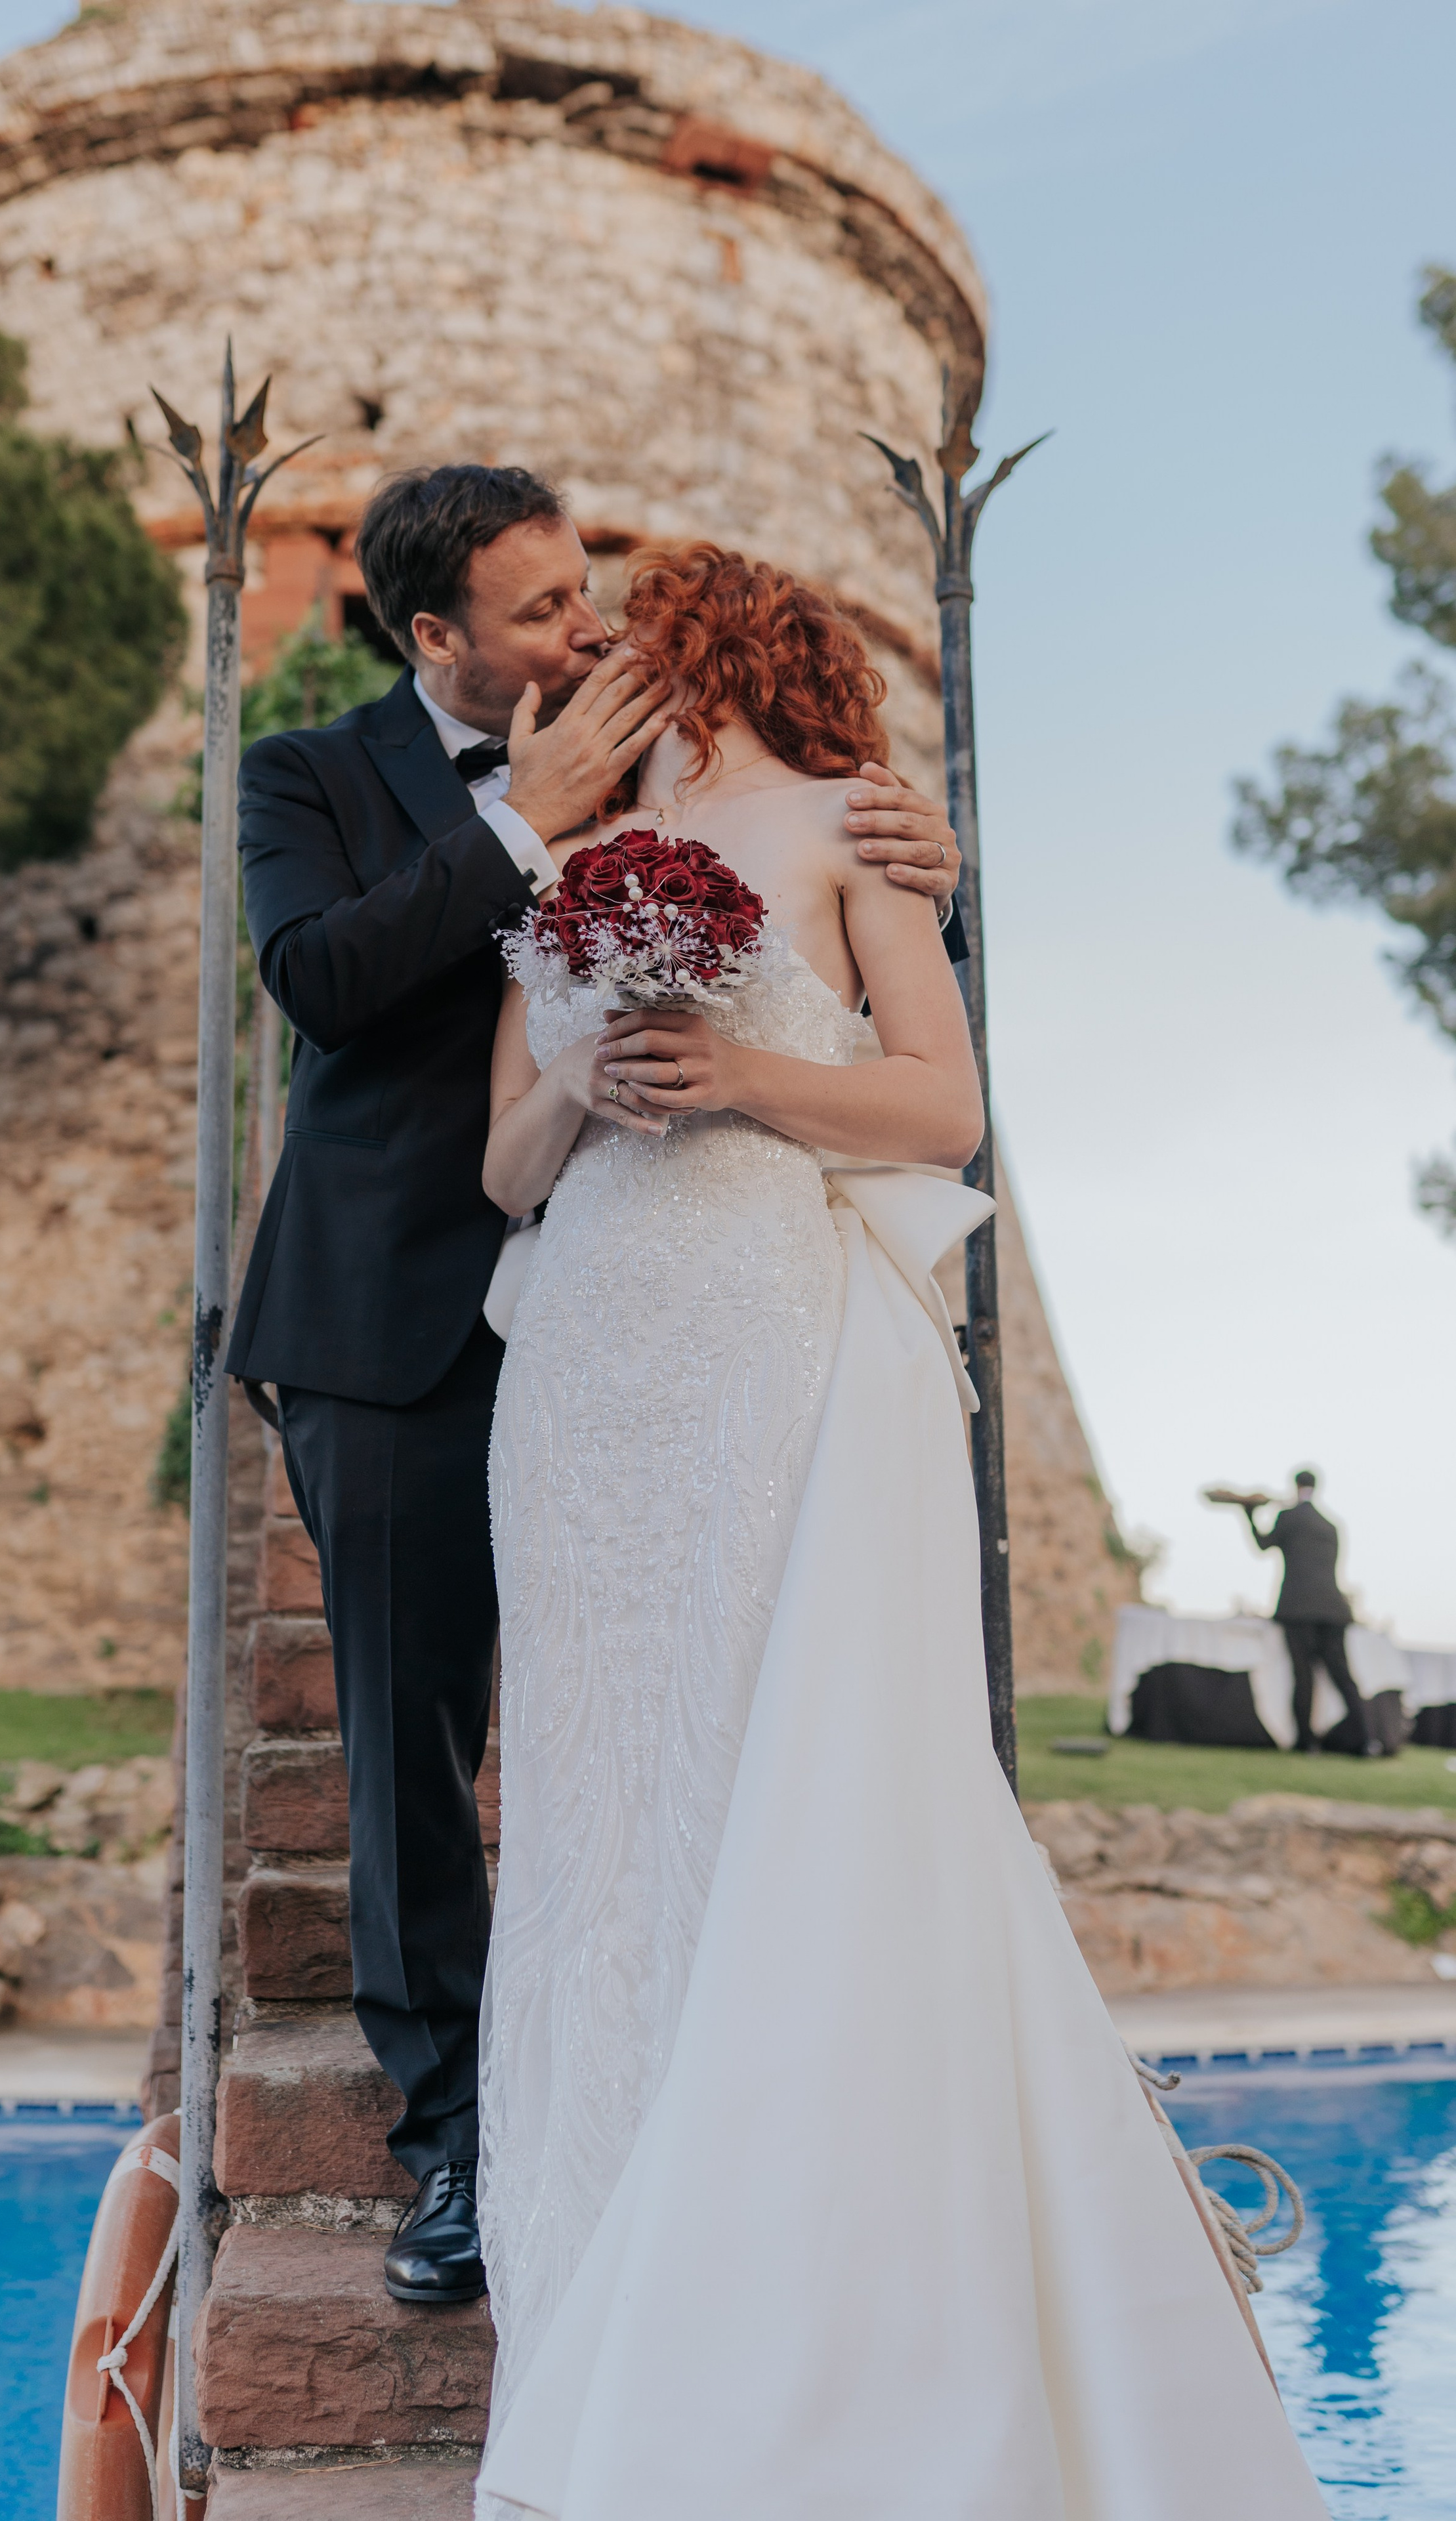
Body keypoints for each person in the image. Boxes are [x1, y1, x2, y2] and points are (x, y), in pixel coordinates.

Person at [474, 543, 1327, 2518]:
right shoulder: (568, 867)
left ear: (708, 648)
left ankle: (783, 2313)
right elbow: (501, 1159)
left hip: (768, 1322)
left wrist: (739, 1071)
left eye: (630, 641)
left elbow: (942, 1112)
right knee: (612, 1811)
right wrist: (587, 1076)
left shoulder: (857, 834)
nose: (602, 669)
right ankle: (606, 2264)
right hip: (590, 1354)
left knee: (794, 1773)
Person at [222, 467, 964, 2306]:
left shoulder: (675, 781)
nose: (590, 631)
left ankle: (760, 2084)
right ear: (435, 638)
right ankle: (465, 2144)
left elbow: (851, 974)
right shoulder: (306, 776)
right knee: (411, 1742)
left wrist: (941, 869)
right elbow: (318, 978)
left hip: (655, 1314)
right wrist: (520, 828)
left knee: (660, 1709)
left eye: (590, 594)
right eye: (546, 612)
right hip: (393, 1320)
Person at [1237, 1470, 1374, 1755]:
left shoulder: (1289, 1518)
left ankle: (1307, 1742)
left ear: (1296, 1485)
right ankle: (1367, 1740)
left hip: (1298, 1609)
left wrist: (1249, 1513)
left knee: (1304, 1676)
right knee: (1343, 1677)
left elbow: (1263, 1546)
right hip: (1334, 1609)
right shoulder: (1330, 1525)